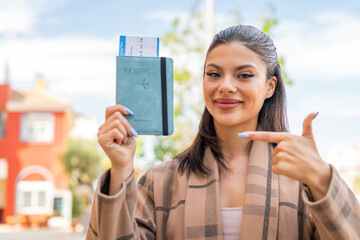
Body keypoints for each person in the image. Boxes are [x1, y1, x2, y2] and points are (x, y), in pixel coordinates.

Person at [86, 25, 360, 240]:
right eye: (214, 74)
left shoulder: (303, 180)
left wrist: (322, 180)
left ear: (270, 86)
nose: (226, 86)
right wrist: (121, 167)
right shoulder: (161, 182)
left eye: (244, 75)